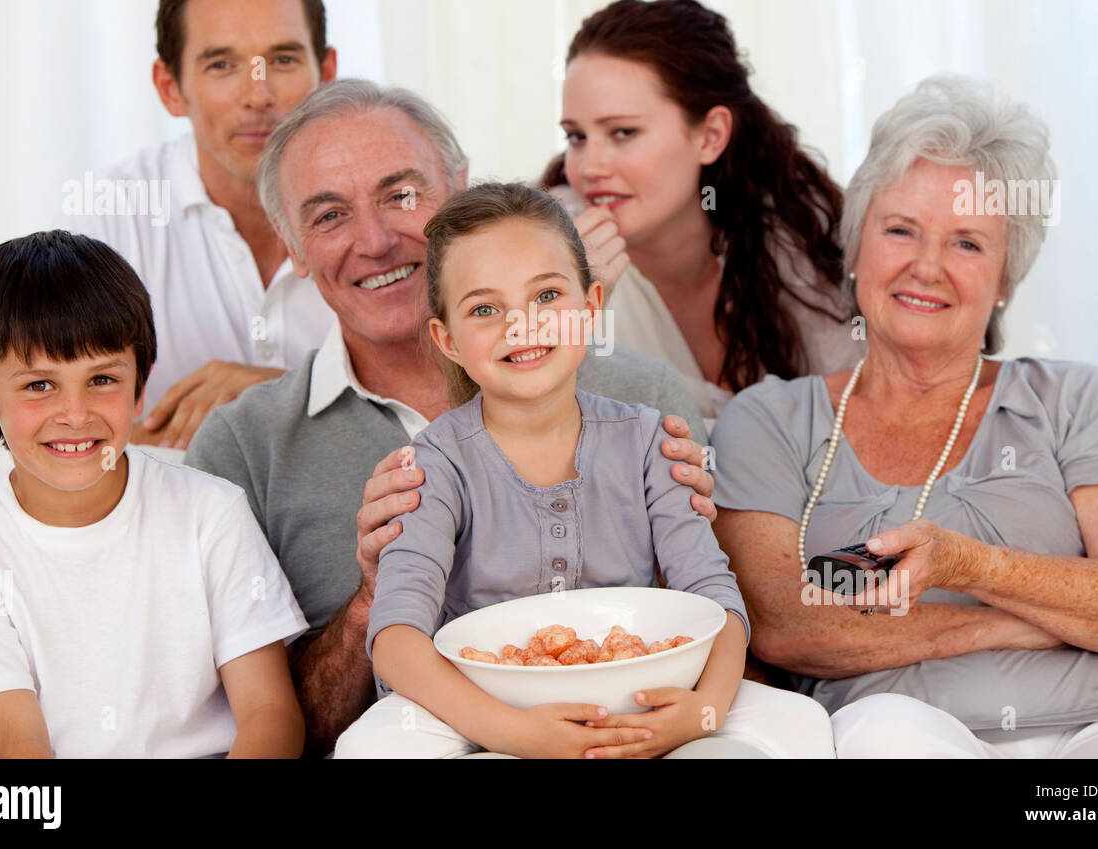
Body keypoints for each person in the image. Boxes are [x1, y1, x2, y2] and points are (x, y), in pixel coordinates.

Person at [184, 79, 721, 756]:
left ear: (459, 188)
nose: (376, 240)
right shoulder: (243, 447)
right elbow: (262, 729)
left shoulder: (643, 399)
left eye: (402, 195)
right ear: (291, 246)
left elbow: (720, 627)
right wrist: (366, 602)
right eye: (328, 216)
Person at [710, 75, 1098, 757]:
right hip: (905, 724)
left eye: (968, 243)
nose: (927, 266)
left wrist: (969, 566)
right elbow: (784, 622)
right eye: (900, 230)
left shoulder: (1074, 399)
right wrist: (1033, 621)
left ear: (1006, 278)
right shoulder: (770, 420)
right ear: (855, 248)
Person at [333, 182, 835, 758]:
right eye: (485, 309)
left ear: (591, 307)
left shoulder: (650, 442)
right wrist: (514, 734)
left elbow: (713, 597)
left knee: (797, 725)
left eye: (546, 296)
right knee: (373, 746)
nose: (522, 326)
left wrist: (702, 713)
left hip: (639, 693)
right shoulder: (433, 464)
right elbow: (397, 640)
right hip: (481, 705)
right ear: (447, 341)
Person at [0, 0, 337, 492]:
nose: (258, 95)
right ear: (170, 87)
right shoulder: (104, 221)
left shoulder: (399, 214)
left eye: (282, 59)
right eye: (222, 64)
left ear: (325, 70)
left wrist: (290, 397)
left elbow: (464, 415)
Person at [0, 231, 308, 757]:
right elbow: (19, 752)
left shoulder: (212, 512)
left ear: (140, 385)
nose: (76, 413)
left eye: (103, 378)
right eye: (39, 385)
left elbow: (271, 715)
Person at [541, 0, 863, 425]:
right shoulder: (546, 247)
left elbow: (863, 413)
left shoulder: (795, 236)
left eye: (622, 132)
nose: (590, 167)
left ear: (710, 136)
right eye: (576, 137)